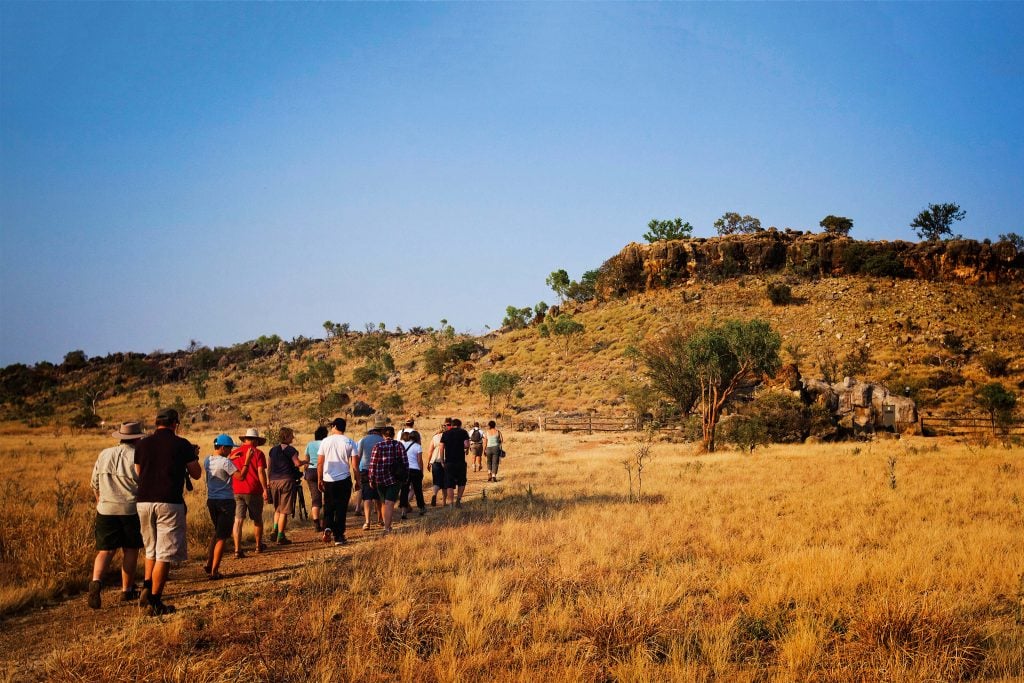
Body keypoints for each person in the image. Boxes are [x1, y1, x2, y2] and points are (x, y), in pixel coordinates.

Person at [133, 408, 201, 615]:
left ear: (156, 423)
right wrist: (192, 456)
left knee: (151, 548)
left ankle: (146, 585)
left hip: (143, 502)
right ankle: (155, 600)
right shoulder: (182, 444)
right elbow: (196, 474)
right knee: (165, 552)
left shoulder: (142, 444)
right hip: (169, 501)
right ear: (175, 424)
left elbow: (138, 471)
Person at [88, 421, 146, 609]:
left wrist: (100, 501)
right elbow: (143, 482)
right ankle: (126, 590)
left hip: (105, 508)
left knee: (105, 550)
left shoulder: (104, 454)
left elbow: (94, 482)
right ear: (137, 437)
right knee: (130, 549)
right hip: (130, 509)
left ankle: (96, 582)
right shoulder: (138, 455)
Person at [203, 434, 252, 579]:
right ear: (223, 448)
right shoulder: (226, 463)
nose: (231, 451)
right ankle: (214, 571)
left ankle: (209, 562)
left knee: (217, 532)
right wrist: (247, 460)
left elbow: (220, 465)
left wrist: (229, 460)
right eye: (229, 448)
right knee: (222, 537)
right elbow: (241, 476)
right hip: (225, 502)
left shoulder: (208, 460)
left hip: (212, 500)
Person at [316, 417, 359, 546]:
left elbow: (319, 463)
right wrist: (357, 481)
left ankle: (327, 527)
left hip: (328, 479)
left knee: (328, 505)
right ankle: (339, 536)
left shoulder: (325, 441)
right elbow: (355, 465)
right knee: (341, 507)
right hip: (344, 479)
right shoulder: (350, 442)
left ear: (334, 426)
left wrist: (319, 479)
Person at [231, 428, 269, 558]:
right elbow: (260, 472)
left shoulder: (235, 453)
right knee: (257, 519)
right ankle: (258, 546)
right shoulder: (258, 453)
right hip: (253, 490)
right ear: (255, 441)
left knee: (238, 521)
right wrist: (265, 488)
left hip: (237, 490)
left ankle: (237, 549)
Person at [367, 425, 408, 534]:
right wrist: (405, 477)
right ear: (393, 434)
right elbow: (405, 463)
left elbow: (372, 464)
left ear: (383, 435)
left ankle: (386, 525)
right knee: (390, 503)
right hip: (395, 478)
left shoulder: (377, 446)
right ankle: (387, 527)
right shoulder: (399, 445)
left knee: (384, 502)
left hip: (380, 478)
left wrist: (371, 479)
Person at [267, 427, 302, 545]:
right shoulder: (291, 450)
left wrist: (269, 481)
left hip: (273, 481)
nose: (293, 437)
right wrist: (304, 462)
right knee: (284, 510)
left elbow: (269, 467)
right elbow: (297, 463)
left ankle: (275, 529)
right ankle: (281, 536)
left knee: (277, 508)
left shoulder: (272, 450)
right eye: (291, 435)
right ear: (286, 437)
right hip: (286, 481)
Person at [357, 416, 386, 530]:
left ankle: (367, 522)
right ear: (382, 430)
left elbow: (358, 457)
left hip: (365, 470)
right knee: (378, 496)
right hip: (379, 470)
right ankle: (380, 519)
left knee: (367, 497)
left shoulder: (363, 440)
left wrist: (357, 474)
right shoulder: (382, 440)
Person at [300, 426, 329, 532]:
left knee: (315, 498)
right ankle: (326, 522)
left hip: (311, 472)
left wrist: (305, 473)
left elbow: (306, 461)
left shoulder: (309, 444)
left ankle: (316, 523)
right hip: (324, 472)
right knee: (327, 497)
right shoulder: (326, 444)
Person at [439, 418, 470, 508]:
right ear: (460, 425)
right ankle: (458, 500)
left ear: (452, 425)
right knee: (461, 482)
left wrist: (442, 460)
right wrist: (465, 448)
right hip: (460, 461)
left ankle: (451, 504)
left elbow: (441, 447)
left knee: (449, 484)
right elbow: (467, 445)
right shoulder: (463, 432)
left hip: (449, 462)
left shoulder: (445, 433)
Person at [398, 430, 425, 518]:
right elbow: (419, 461)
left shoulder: (402, 445)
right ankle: (421, 508)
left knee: (404, 491)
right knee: (418, 490)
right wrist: (421, 471)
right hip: (415, 470)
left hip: (405, 470)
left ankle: (403, 511)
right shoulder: (418, 446)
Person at [426, 420, 448, 507]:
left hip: (435, 461)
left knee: (436, 481)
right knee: (445, 482)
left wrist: (428, 462)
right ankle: (444, 502)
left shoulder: (434, 437)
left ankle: (434, 494)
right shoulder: (448, 436)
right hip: (446, 461)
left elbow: (430, 451)